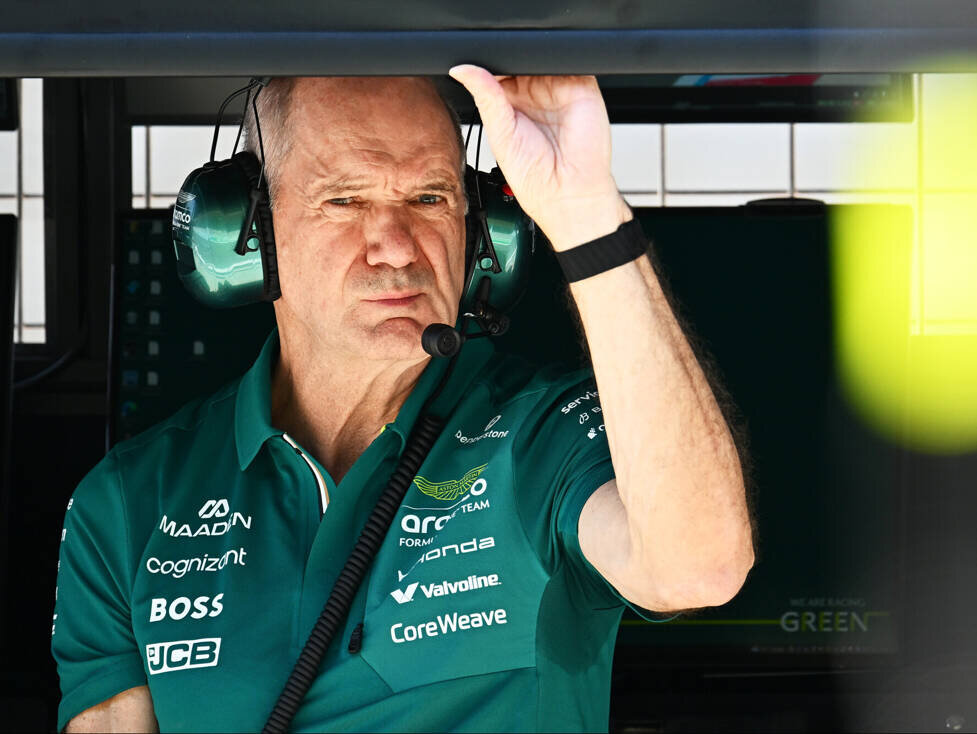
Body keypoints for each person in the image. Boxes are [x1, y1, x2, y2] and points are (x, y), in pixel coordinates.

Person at [52, 68, 755, 732]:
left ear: (479, 230)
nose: (395, 247)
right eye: (345, 200)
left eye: (429, 199)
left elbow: (699, 567)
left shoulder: (541, 435)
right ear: (250, 230)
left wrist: (585, 211)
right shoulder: (130, 500)